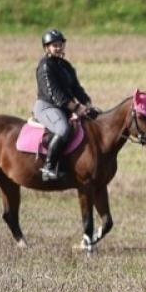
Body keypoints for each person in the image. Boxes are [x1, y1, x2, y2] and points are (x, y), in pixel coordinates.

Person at [32, 28, 96, 182]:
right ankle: (48, 168)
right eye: (54, 45)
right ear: (47, 48)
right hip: (47, 107)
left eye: (60, 44)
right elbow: (54, 94)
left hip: (64, 108)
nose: (58, 47)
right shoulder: (45, 66)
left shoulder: (66, 66)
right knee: (63, 129)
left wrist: (87, 103)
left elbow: (76, 88)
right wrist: (76, 108)